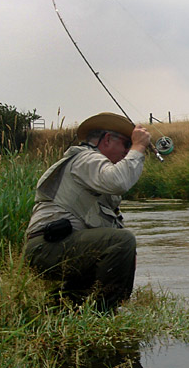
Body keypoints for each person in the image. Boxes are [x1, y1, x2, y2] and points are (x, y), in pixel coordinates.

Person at [24, 112, 151, 311]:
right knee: (122, 240)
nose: (127, 152)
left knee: (120, 243)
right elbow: (118, 181)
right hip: (47, 250)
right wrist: (139, 147)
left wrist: (126, 256)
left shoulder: (94, 172)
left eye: (130, 145)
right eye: (126, 144)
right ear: (108, 140)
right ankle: (105, 315)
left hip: (62, 249)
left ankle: (64, 308)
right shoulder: (86, 158)